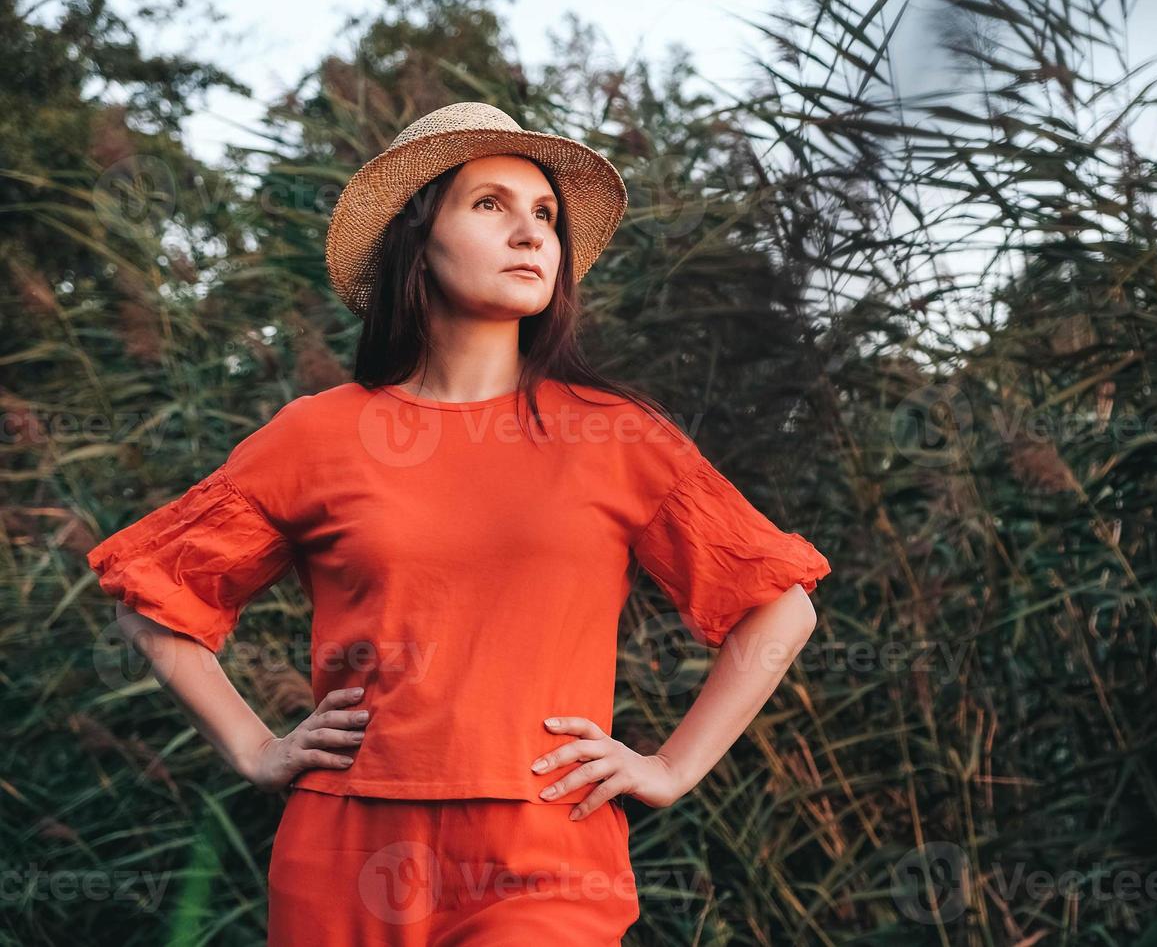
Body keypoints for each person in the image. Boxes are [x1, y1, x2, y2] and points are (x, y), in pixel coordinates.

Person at [84, 102, 833, 945]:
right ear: (417, 240)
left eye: (544, 215)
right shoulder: (314, 435)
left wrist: (668, 767)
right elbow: (151, 597)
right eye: (490, 206)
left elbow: (780, 603)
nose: (531, 234)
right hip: (344, 849)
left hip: (547, 847)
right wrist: (257, 748)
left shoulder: (615, 436)